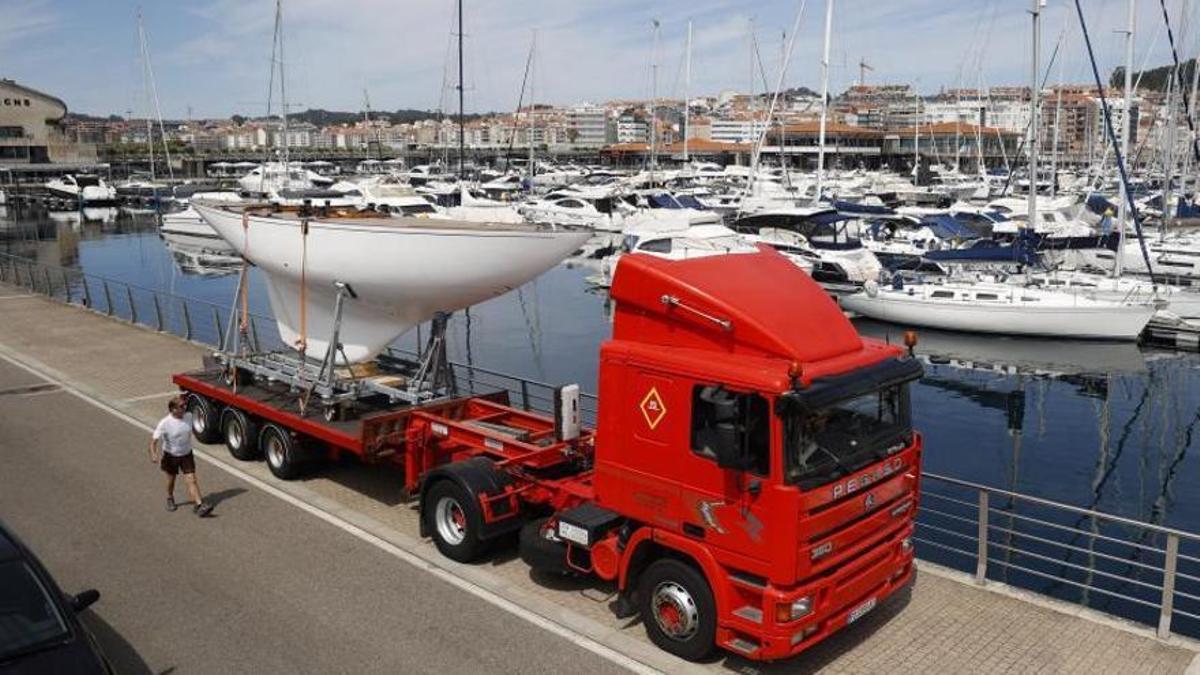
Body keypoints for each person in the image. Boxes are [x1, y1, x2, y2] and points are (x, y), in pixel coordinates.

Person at [149, 396, 213, 517]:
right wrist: (153, 453)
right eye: (181, 406)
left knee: (191, 480)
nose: (184, 408)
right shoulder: (165, 423)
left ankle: (199, 505)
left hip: (186, 455)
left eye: (184, 405)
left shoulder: (188, 416)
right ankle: (169, 497)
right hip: (171, 456)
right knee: (171, 481)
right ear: (173, 409)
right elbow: (153, 441)